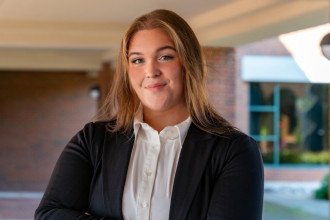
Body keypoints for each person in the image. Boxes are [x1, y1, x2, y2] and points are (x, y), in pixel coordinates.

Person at [35, 9, 264, 220]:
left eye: (165, 57)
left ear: (189, 63)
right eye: (137, 60)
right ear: (127, 71)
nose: (151, 71)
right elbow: (49, 214)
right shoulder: (93, 140)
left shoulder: (233, 151)